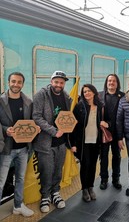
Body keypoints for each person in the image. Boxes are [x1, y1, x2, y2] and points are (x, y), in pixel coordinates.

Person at [32, 71, 71, 213]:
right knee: (46, 171)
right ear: (51, 81)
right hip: (45, 143)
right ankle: (45, 196)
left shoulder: (66, 96)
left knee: (57, 170)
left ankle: (55, 193)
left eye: (61, 82)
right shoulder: (40, 95)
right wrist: (53, 131)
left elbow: (68, 116)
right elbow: (36, 116)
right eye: (56, 82)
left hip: (61, 143)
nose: (59, 85)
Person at [0, 72, 35, 217]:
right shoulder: (1, 101)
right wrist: (4, 130)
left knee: (20, 178)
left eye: (19, 82)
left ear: (22, 84)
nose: (16, 84)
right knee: (0, 181)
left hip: (23, 149)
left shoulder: (28, 102)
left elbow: (32, 122)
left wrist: (36, 128)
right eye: (13, 81)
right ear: (8, 82)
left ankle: (18, 205)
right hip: (6, 149)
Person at [70, 84, 108, 202]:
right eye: (84, 91)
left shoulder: (101, 106)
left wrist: (107, 124)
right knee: (85, 165)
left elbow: (107, 120)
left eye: (89, 91)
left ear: (94, 92)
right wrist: (73, 144)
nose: (87, 93)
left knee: (93, 165)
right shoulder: (79, 107)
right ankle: (84, 189)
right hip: (83, 142)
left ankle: (91, 187)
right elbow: (73, 127)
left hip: (96, 141)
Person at [99, 74, 125, 190]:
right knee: (103, 156)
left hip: (117, 132)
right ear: (106, 82)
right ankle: (104, 179)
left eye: (114, 81)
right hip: (104, 132)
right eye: (109, 80)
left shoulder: (123, 96)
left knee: (117, 156)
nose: (111, 83)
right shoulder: (99, 95)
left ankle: (116, 179)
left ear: (117, 83)